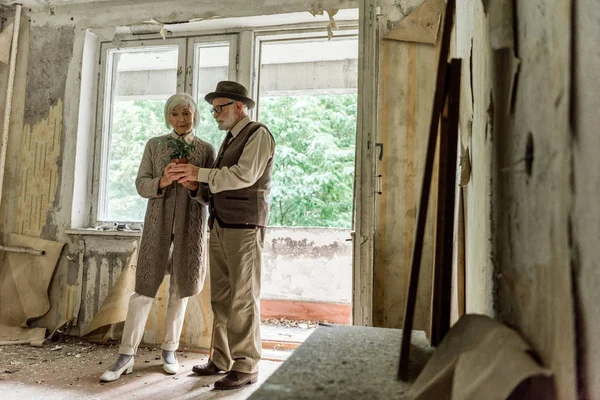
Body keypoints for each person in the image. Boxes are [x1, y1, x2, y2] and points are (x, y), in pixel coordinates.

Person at [100, 93, 215, 382]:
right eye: (175, 114)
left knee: (180, 289)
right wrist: (161, 181)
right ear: (168, 117)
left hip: (190, 227)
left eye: (187, 114)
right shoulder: (155, 145)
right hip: (157, 225)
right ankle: (126, 354)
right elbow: (141, 184)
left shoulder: (206, 149)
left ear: (195, 116)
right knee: (143, 290)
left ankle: (169, 351)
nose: (181, 119)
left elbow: (209, 194)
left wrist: (193, 186)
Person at [171, 81, 275, 390]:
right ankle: (220, 359)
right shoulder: (230, 139)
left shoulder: (258, 134)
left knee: (242, 300)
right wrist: (196, 188)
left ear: (239, 107)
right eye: (213, 109)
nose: (215, 114)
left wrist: (198, 173)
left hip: (244, 229)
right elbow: (219, 185)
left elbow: (244, 175)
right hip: (220, 225)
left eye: (220, 108)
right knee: (221, 299)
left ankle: (246, 366)